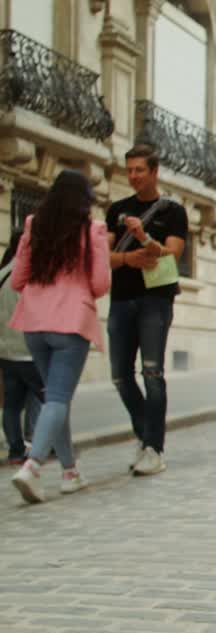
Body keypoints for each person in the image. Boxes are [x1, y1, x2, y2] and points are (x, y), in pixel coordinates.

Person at [8, 170, 111, 503]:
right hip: (70, 323)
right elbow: (100, 284)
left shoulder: (34, 226)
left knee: (55, 397)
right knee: (57, 398)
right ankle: (32, 467)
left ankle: (70, 472)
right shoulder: (92, 230)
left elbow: (16, 279)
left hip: (34, 322)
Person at [106, 144, 186, 477]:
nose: (134, 176)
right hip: (122, 299)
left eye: (140, 170)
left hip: (156, 300)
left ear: (154, 172)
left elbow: (171, 255)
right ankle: (145, 434)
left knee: (152, 374)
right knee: (120, 376)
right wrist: (128, 259)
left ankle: (154, 448)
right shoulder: (116, 210)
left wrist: (142, 236)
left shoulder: (172, 211)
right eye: (130, 170)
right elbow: (103, 257)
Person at [0, 239, 43, 467]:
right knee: (50, 399)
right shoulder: (28, 274)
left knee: (12, 405)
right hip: (28, 348)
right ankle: (48, 445)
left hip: (6, 351)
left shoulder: (3, 273)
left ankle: (16, 451)